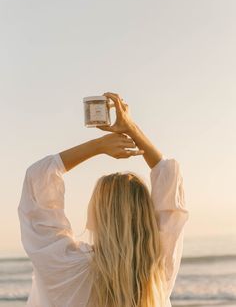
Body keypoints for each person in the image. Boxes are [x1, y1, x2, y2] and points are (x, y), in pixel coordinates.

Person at [18, 92, 189, 307]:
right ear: (144, 214)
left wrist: (98, 145)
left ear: (96, 214)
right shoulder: (155, 270)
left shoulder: (66, 268)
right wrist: (131, 129)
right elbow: (170, 186)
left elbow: (37, 178)